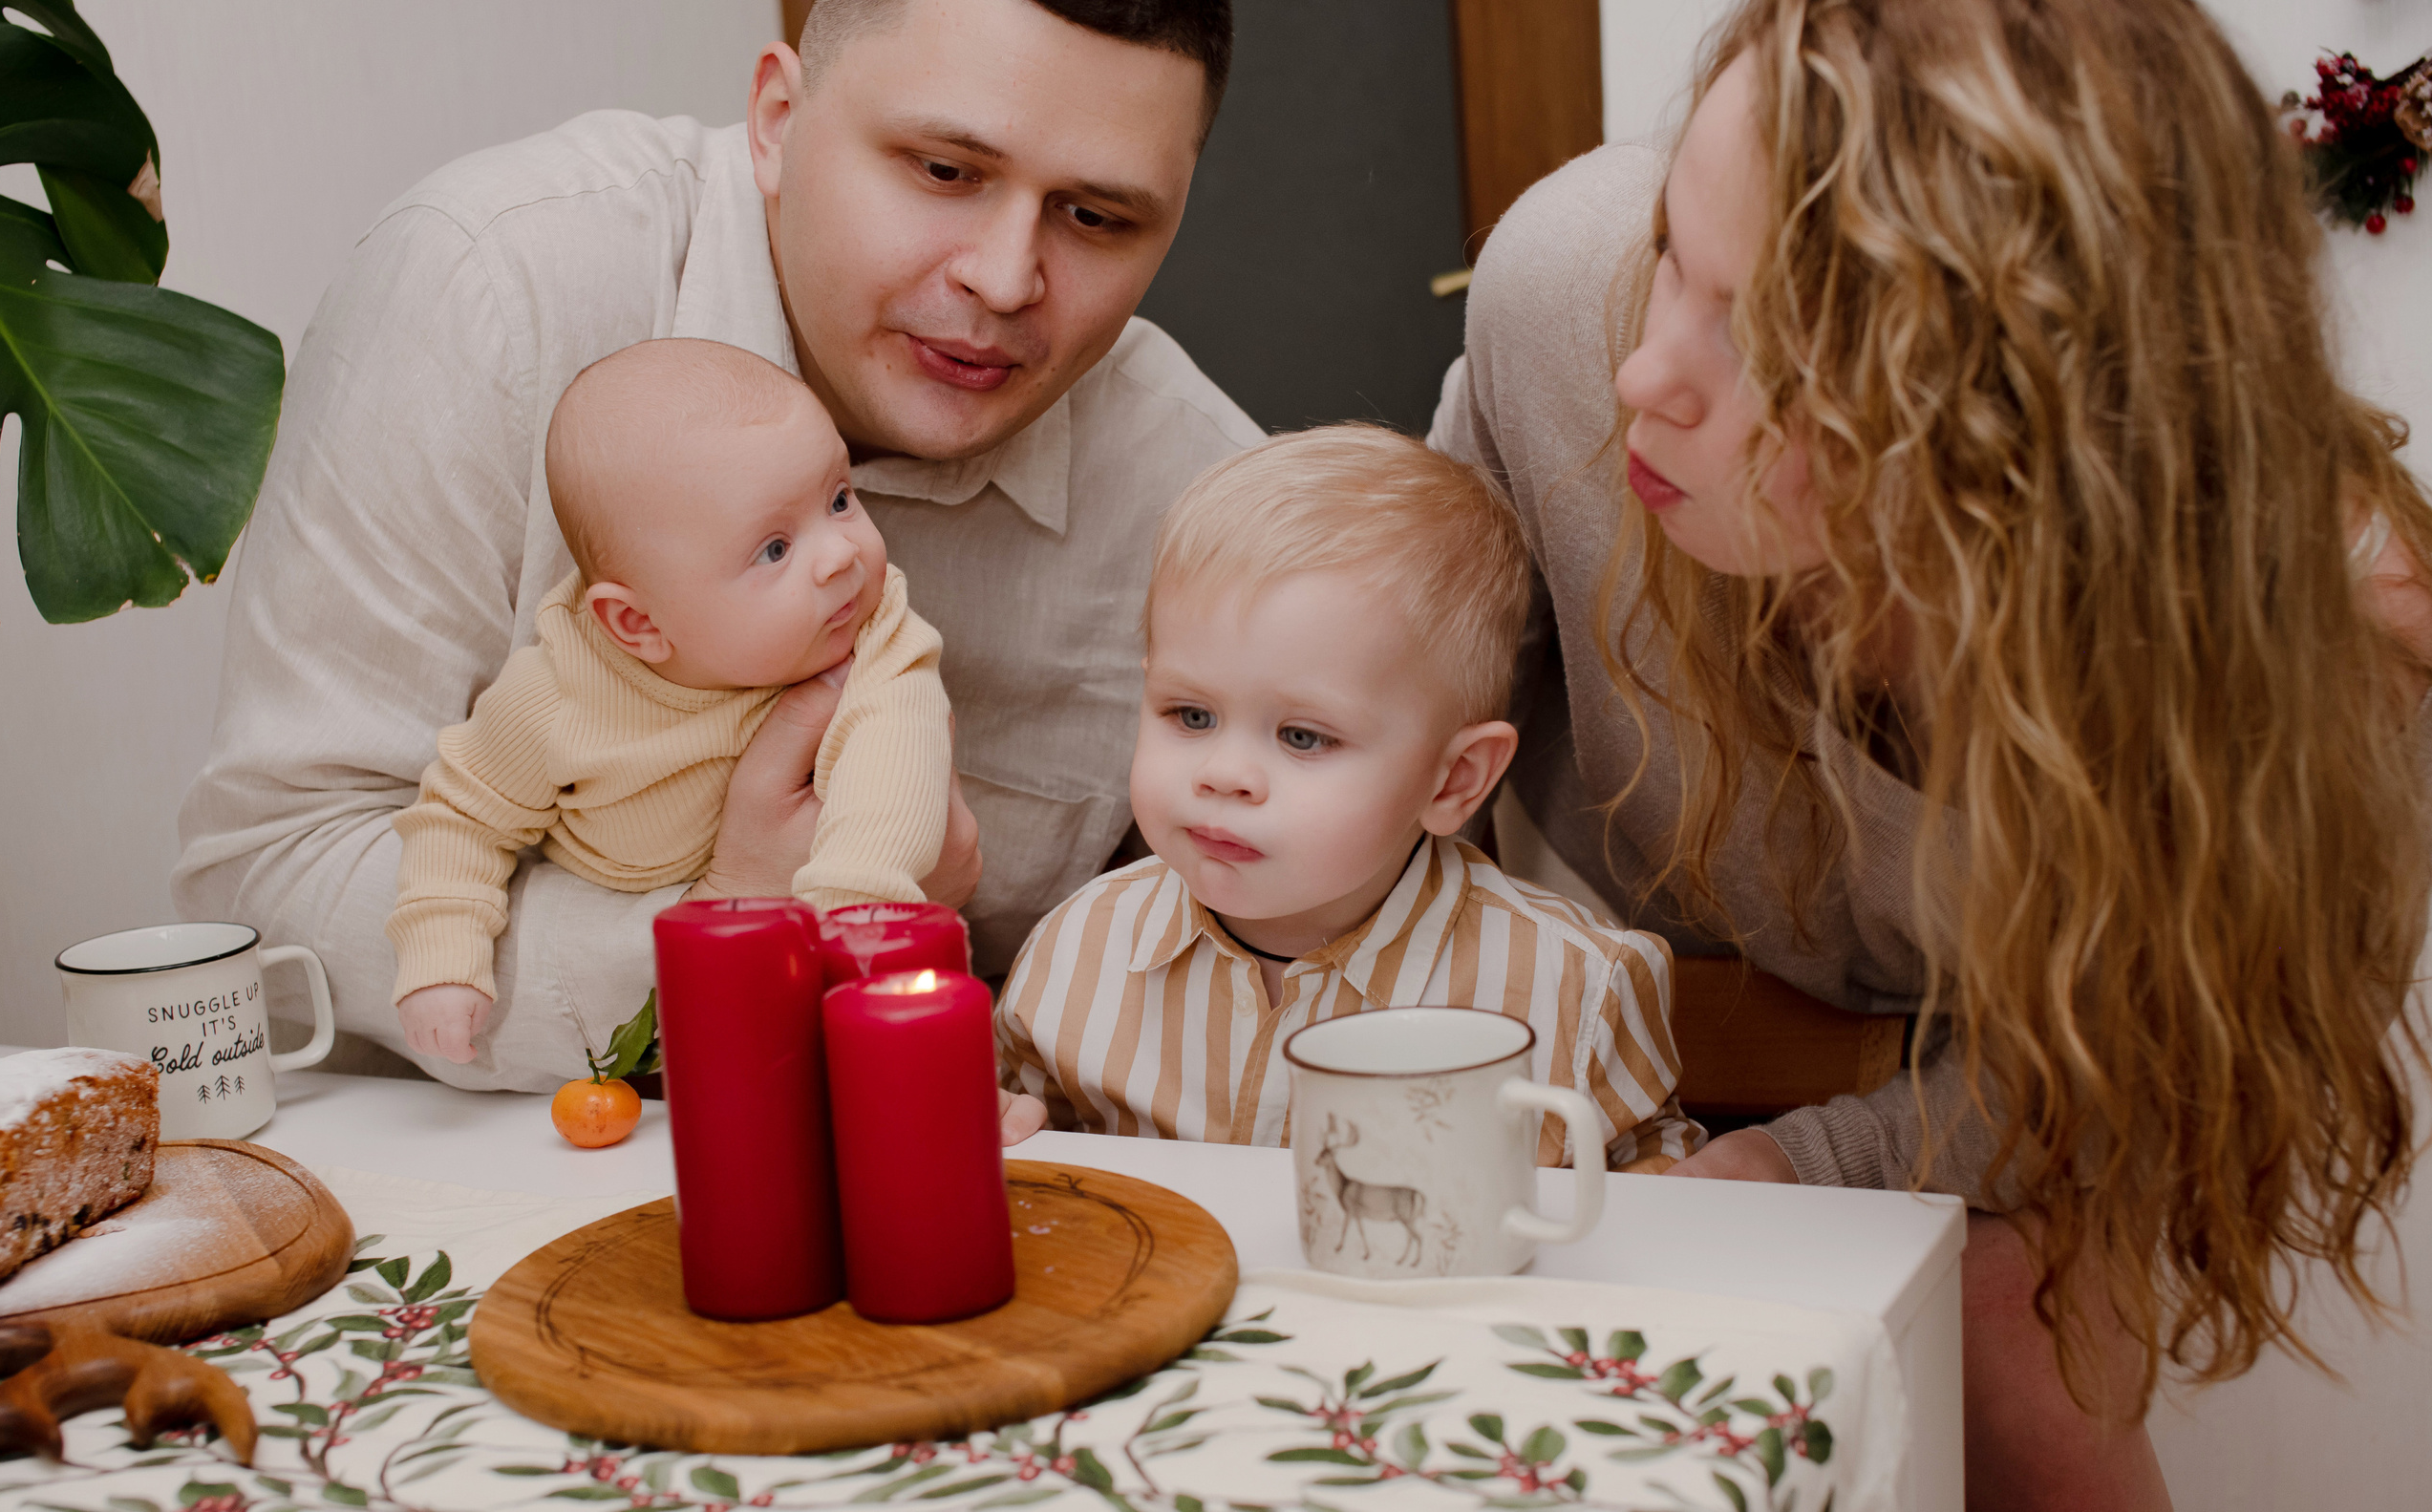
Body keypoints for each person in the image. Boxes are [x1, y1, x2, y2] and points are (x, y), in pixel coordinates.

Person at [1433, 0, 2432, 1505]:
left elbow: (2146, 1062)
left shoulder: (2330, 657)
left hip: (2050, 1051)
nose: (1649, 375)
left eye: (1764, 334)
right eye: (1674, 261)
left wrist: (1811, 1166)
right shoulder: (1567, 296)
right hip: (1678, 1004)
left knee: (2019, 1354)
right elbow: (1409, 724)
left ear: (2032, 420)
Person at [174, 0, 1259, 1089]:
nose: (1006, 277)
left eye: (1097, 218)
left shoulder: (1199, 495)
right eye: (942, 170)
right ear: (778, 118)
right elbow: (266, 888)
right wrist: (730, 927)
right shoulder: (492, 290)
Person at [994, 425, 1702, 1171]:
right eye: (1191, 715)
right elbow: (1027, 1160)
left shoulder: (1575, 990)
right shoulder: (1074, 951)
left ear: (1454, 778)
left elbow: (1654, 1211)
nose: (1224, 773)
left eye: (1303, 737)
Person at [389, 340, 949, 1065]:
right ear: (639, 624)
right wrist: (440, 955)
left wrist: (852, 919)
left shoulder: (873, 629)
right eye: (774, 549)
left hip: (819, 970)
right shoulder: (558, 694)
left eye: (839, 499)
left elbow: (892, 760)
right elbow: (462, 816)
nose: (841, 553)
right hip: (628, 1009)